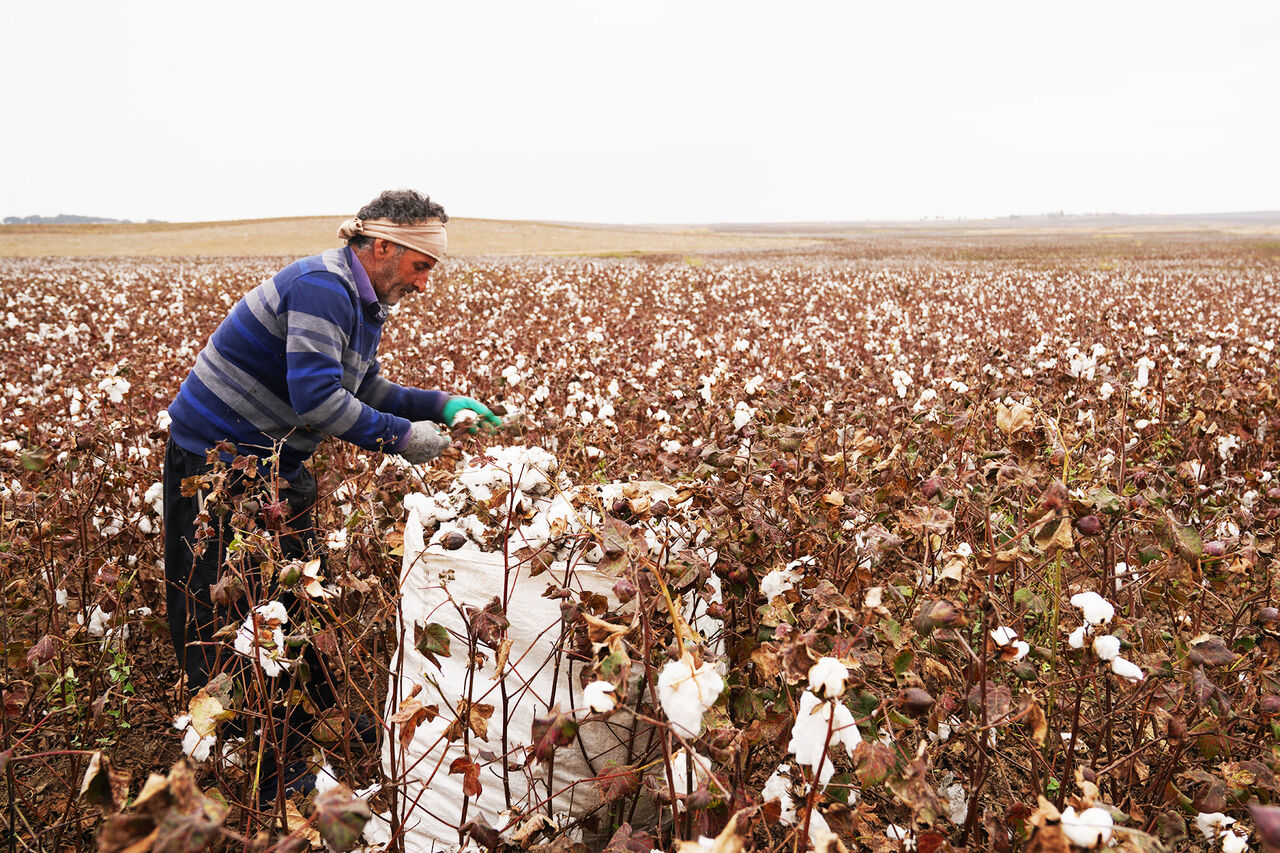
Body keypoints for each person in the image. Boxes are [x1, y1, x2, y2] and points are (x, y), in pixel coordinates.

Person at [162, 189, 499, 801]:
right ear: (383, 247)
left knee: (298, 594)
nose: (425, 285)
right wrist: (401, 438)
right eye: (422, 266)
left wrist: (439, 404)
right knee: (220, 607)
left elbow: (364, 386)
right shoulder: (323, 287)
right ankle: (253, 753)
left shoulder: (358, 299)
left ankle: (312, 715)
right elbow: (317, 398)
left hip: (272, 465)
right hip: (216, 463)